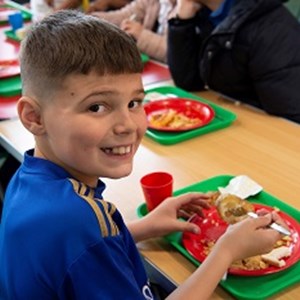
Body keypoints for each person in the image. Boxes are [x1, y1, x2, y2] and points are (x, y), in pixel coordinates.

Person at [0, 10, 284, 299]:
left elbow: (77, 252)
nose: (128, 125)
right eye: (97, 107)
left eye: (135, 102)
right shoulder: (77, 223)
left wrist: (144, 227)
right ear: (34, 117)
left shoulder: (27, 178)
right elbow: (84, 244)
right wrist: (226, 252)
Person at [167, 0, 300, 123]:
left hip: (268, 135)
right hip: (234, 121)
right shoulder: (204, 12)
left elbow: (290, 118)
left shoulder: (269, 26)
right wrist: (182, 22)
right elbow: (188, 82)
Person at [91, 0, 177, 62]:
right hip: (154, 67)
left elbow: (176, 52)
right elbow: (124, 15)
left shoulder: (185, 9)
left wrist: (141, 34)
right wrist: (91, 19)